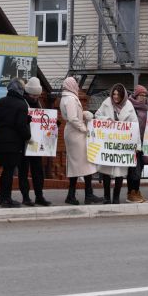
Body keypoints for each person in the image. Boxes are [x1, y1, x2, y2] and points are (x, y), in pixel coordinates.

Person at [59, 77, 103, 205]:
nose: (77, 86)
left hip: (72, 132)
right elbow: (72, 118)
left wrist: (83, 113)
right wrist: (83, 128)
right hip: (76, 133)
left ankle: (72, 195)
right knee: (85, 163)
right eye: (76, 84)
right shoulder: (71, 99)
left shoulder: (66, 97)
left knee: (77, 165)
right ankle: (87, 195)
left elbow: (71, 115)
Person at [0, 78, 31, 207]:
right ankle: (6, 198)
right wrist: (28, 136)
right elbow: (20, 125)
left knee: (5, 170)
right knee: (9, 170)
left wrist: (0, 132)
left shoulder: (0, 102)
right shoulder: (21, 104)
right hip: (13, 143)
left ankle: (2, 197)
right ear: (20, 89)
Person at [95, 83, 138, 204]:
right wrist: (106, 120)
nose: (115, 97)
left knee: (120, 171)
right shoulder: (106, 103)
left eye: (118, 95)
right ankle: (107, 197)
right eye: (114, 94)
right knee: (106, 171)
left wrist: (136, 145)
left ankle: (116, 197)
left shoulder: (129, 106)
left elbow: (135, 127)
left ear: (123, 95)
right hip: (108, 143)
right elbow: (97, 115)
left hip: (122, 144)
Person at [18, 76, 52, 206]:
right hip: (24, 142)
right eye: (33, 95)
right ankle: (26, 196)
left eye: (37, 95)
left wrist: (52, 125)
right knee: (23, 171)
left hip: (36, 143)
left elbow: (43, 120)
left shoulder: (39, 103)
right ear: (28, 93)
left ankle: (39, 195)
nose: (36, 98)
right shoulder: (22, 103)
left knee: (38, 171)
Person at [126, 85, 148, 203]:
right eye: (141, 95)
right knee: (133, 170)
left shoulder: (146, 108)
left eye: (145, 95)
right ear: (136, 95)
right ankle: (131, 193)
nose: (143, 98)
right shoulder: (130, 107)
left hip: (143, 144)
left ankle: (136, 191)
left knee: (140, 169)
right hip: (133, 144)